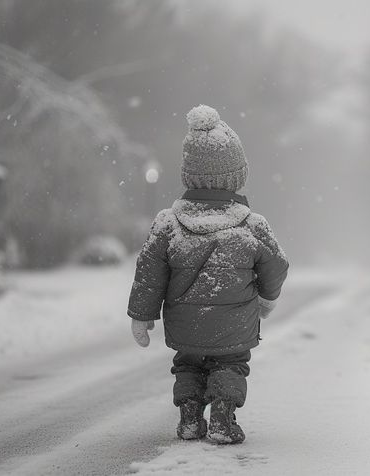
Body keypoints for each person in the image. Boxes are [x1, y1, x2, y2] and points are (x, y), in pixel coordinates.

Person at [127, 105, 288, 444]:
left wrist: (141, 316)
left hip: (185, 325)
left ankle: (189, 416)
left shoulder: (167, 224)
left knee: (188, 365)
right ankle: (222, 418)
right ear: (237, 176)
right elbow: (276, 266)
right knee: (230, 365)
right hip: (234, 327)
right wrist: (267, 298)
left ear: (188, 174)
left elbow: (148, 273)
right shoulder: (252, 226)